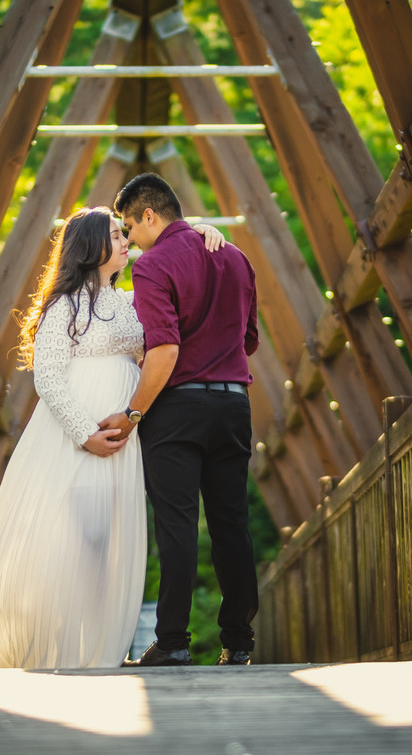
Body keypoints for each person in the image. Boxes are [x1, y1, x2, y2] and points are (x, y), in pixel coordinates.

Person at [0, 205, 226, 669]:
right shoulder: (63, 305)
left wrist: (199, 231)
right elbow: (47, 376)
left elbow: (166, 334)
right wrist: (85, 433)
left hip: (122, 443)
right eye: (116, 233)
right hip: (77, 442)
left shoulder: (131, 301)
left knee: (112, 542)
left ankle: (100, 652)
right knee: (76, 542)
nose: (127, 239)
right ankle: (63, 651)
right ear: (92, 245)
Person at [105, 173, 260, 667]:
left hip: (177, 411)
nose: (128, 241)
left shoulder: (153, 267)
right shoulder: (236, 257)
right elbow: (248, 339)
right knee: (231, 524)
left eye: (129, 227)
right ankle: (238, 644)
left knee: (178, 527)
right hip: (234, 404)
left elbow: (164, 348)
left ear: (149, 215)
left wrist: (132, 414)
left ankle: (172, 643)